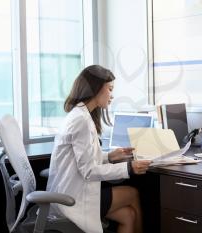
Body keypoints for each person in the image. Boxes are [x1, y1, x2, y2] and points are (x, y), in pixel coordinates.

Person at [46, 65, 151, 233]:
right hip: (73, 199)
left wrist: (110, 156)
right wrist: (128, 167)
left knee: (128, 215)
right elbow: (88, 170)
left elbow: (83, 158)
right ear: (96, 89)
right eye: (110, 89)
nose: (112, 95)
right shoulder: (81, 120)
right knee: (132, 194)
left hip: (72, 191)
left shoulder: (80, 115)